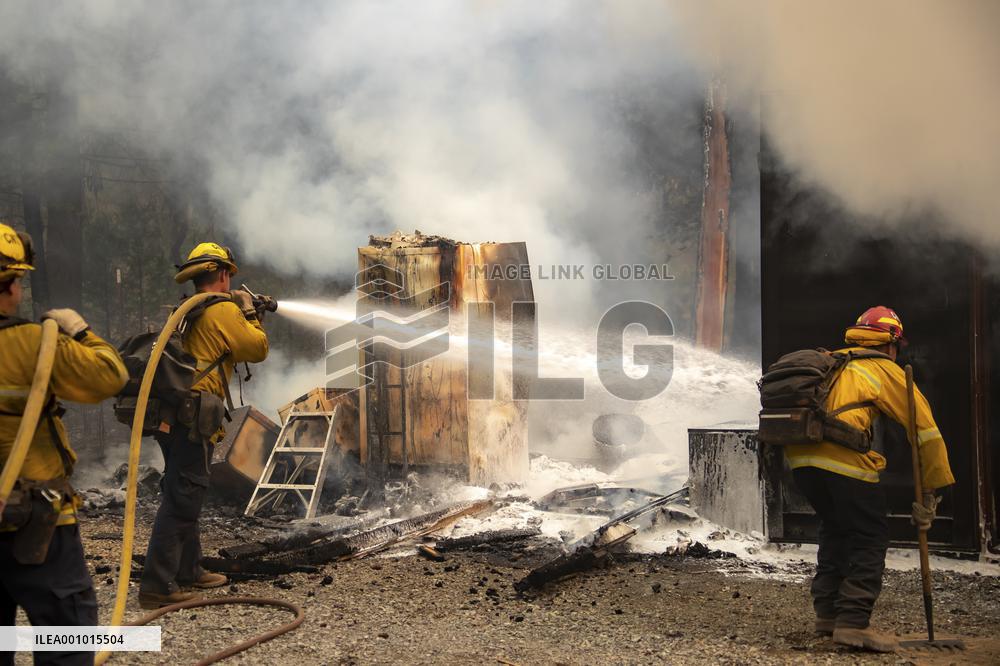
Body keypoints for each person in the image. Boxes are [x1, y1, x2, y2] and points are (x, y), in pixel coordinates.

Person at [785, 306, 954, 652]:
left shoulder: (832, 361)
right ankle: (853, 622)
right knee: (870, 535)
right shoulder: (883, 369)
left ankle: (828, 614)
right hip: (841, 458)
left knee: (836, 528)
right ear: (892, 344)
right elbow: (925, 433)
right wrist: (931, 492)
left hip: (800, 458)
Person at [0, 223, 128, 665]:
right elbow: (110, 376)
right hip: (36, 521)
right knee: (65, 638)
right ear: (11, 284)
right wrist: (80, 331)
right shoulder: (34, 343)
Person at [138, 242, 268, 609]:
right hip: (191, 418)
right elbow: (257, 348)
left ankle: (189, 569)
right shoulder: (222, 310)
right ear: (224, 274)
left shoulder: (188, 309)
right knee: (184, 496)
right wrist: (250, 313)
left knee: (185, 490)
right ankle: (157, 586)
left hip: (173, 415)